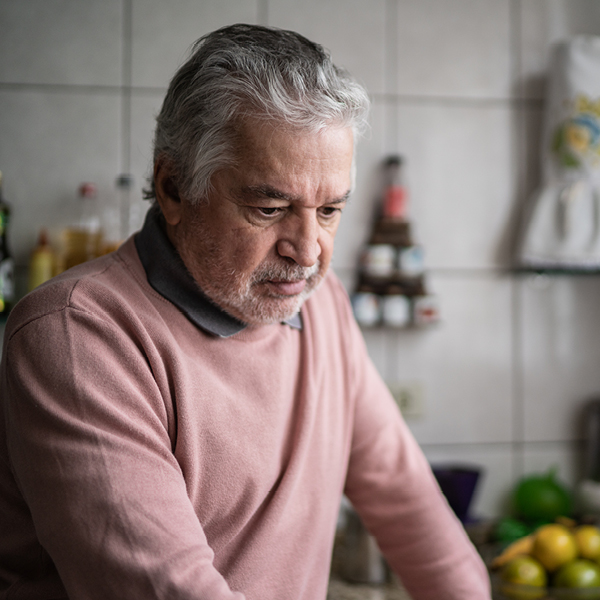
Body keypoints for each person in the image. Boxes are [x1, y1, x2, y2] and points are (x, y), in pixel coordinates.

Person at [0, 24, 491, 600]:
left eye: (330, 210)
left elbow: (404, 494)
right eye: (270, 206)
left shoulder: (322, 303)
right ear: (175, 188)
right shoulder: (80, 335)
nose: (307, 252)